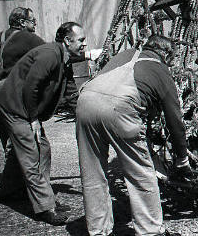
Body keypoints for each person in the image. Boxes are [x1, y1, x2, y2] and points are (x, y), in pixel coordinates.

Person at [76, 35, 192, 236]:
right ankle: (150, 231)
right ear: (165, 54)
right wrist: (182, 158)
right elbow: (175, 121)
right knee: (140, 173)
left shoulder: (126, 54)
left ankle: (99, 231)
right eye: (171, 59)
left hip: (85, 102)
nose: (171, 63)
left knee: (93, 172)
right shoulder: (160, 70)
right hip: (120, 108)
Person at [0, 22, 89, 225]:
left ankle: (9, 192)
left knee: (41, 149)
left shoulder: (63, 58)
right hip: (14, 107)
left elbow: (69, 89)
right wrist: (33, 118)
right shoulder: (50, 55)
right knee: (32, 153)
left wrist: (82, 110)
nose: (84, 44)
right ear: (67, 40)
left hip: (21, 107)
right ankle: (46, 207)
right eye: (80, 40)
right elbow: (31, 86)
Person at [0, 7, 45, 201]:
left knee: (9, 143)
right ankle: (27, 192)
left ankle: (12, 188)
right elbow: (52, 55)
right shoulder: (29, 39)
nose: (35, 24)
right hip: (14, 95)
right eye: (32, 21)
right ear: (22, 23)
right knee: (29, 143)